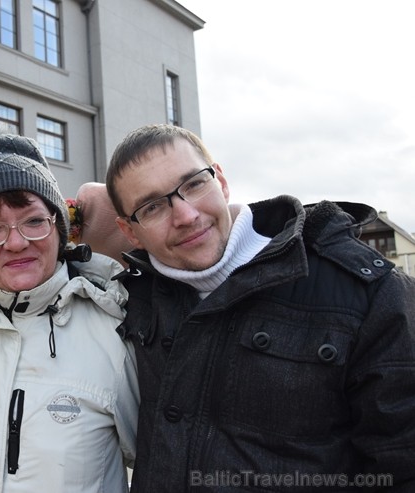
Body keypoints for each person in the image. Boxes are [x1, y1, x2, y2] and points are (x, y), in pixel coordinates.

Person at [100, 123, 415, 491]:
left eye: (195, 184)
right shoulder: (134, 297)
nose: (186, 215)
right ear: (130, 232)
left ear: (221, 180)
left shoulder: (367, 292)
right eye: (152, 207)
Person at [0, 132, 139, 492]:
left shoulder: (116, 333)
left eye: (33, 221)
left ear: (59, 227)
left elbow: (166, 463)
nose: (15, 243)